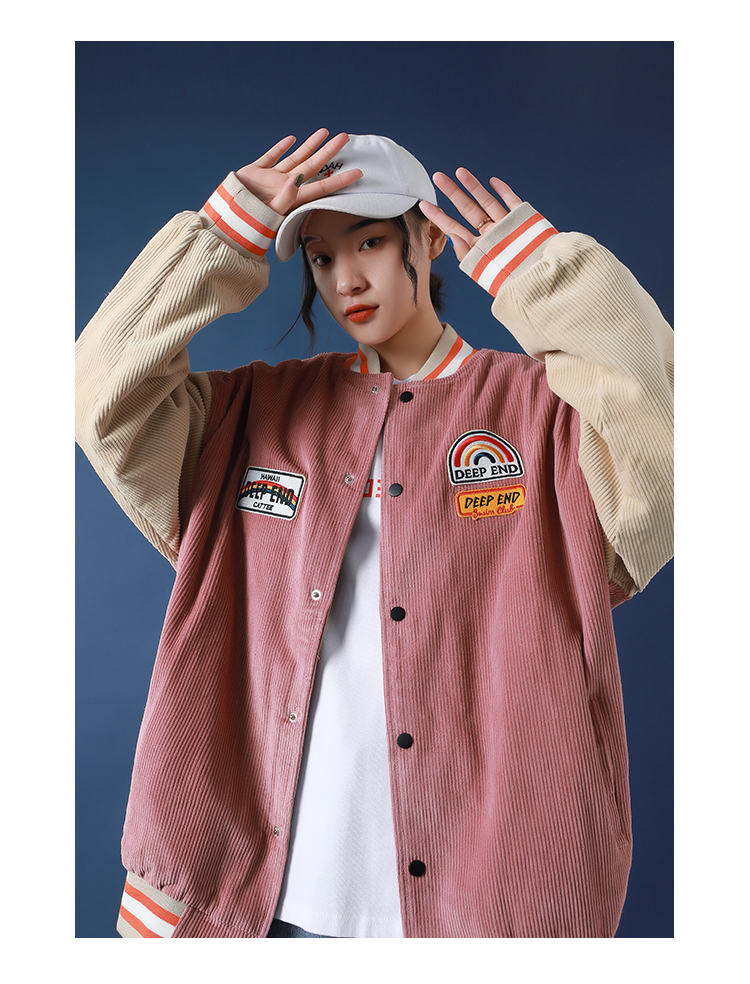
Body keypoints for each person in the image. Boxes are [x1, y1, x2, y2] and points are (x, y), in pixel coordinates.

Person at [75, 129, 673, 938]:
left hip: (485, 909)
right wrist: (221, 236)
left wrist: (546, 275)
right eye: (321, 257)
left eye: (369, 243)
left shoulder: (546, 419)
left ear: (430, 240)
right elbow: (99, 396)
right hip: (253, 905)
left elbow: (673, 438)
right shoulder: (246, 415)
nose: (346, 279)